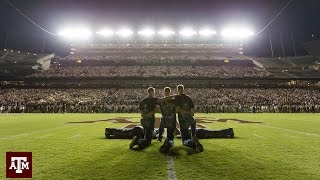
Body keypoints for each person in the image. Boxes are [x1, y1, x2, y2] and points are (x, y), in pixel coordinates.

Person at [174, 84, 203, 152]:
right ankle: (193, 137)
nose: (180, 91)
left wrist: (187, 113)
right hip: (186, 119)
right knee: (192, 122)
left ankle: (194, 141)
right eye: (180, 89)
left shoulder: (178, 98)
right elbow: (191, 111)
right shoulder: (186, 97)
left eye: (180, 89)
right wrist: (189, 113)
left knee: (185, 140)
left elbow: (179, 109)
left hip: (184, 119)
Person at [157, 87, 178, 153]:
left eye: (168, 92)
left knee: (170, 130)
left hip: (170, 117)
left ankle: (170, 140)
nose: (167, 93)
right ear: (164, 92)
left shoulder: (173, 100)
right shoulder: (162, 100)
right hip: (164, 116)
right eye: (166, 92)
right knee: (161, 127)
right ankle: (160, 136)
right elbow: (158, 102)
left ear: (169, 92)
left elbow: (174, 106)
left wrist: (166, 101)